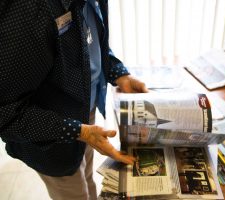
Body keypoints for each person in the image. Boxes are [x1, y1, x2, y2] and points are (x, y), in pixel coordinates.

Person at [0, 0, 148, 199]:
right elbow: (6, 114)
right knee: (74, 191)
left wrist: (119, 73)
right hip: (51, 137)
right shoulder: (28, 11)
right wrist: (77, 131)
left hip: (84, 113)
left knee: (86, 176)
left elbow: (87, 40)